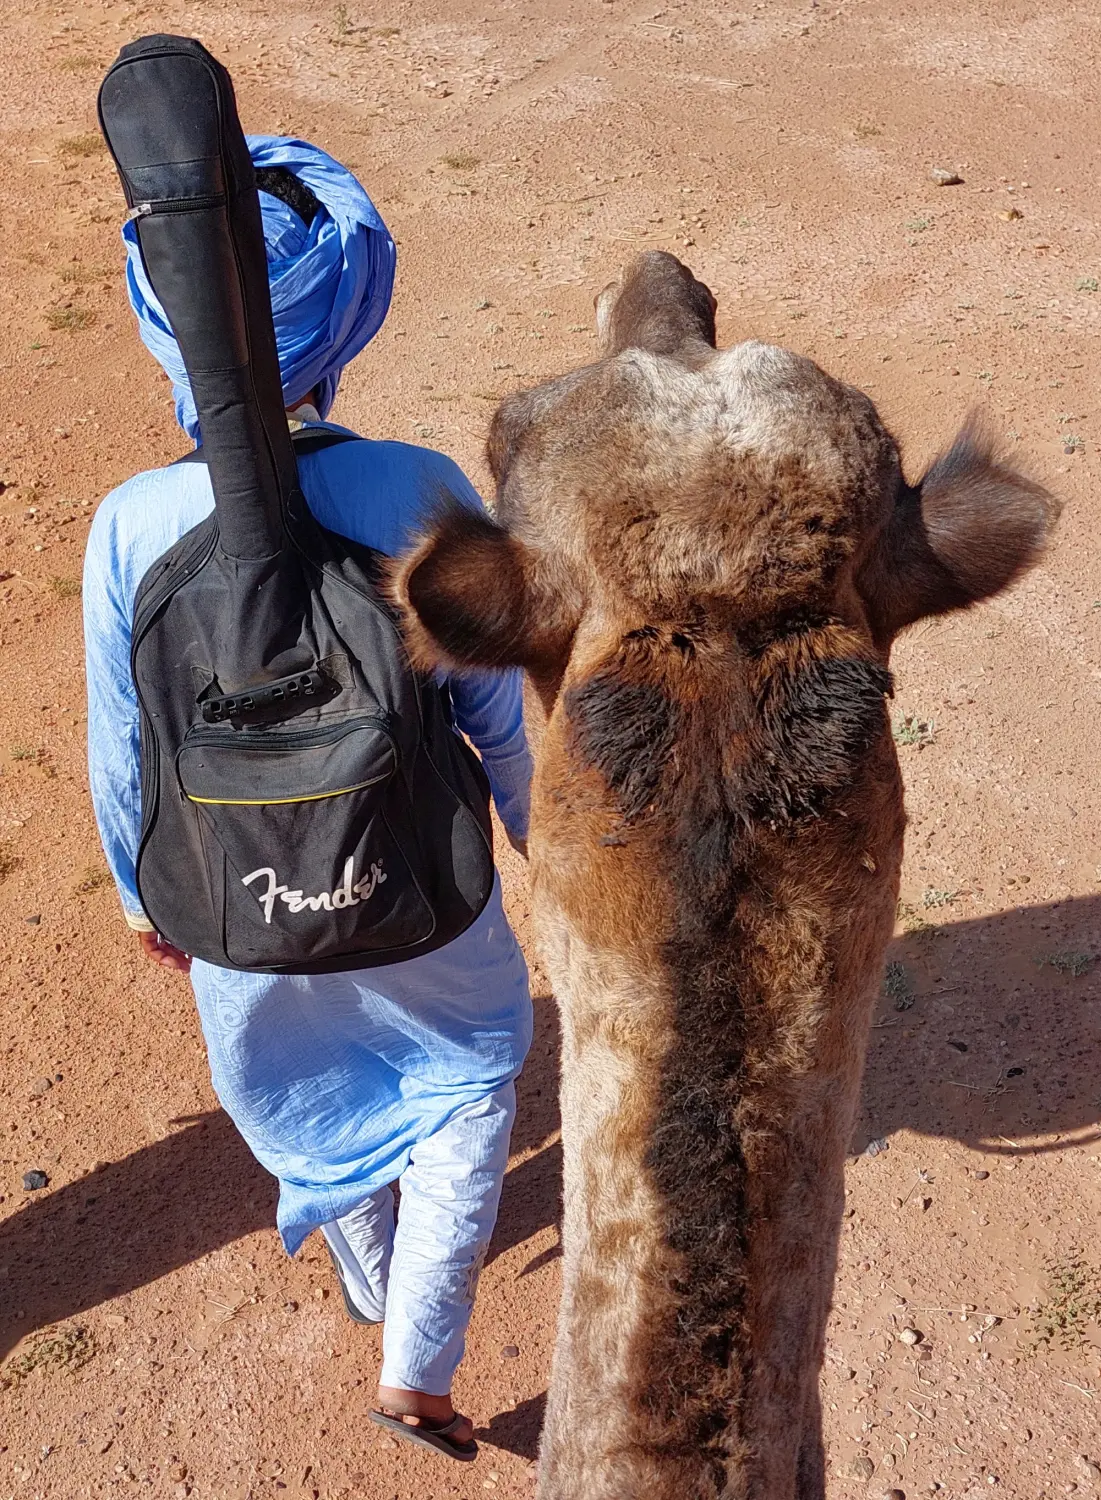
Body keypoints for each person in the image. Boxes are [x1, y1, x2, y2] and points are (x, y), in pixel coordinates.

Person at [83, 135, 533, 1464]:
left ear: (165, 333)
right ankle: (416, 1360)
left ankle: (366, 1266)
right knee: (471, 1080)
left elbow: (127, 751)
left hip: (232, 905)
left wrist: (136, 897)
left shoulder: (127, 526)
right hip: (421, 883)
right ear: (352, 311)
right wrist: (530, 818)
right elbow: (491, 701)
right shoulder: (412, 485)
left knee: (309, 1093)